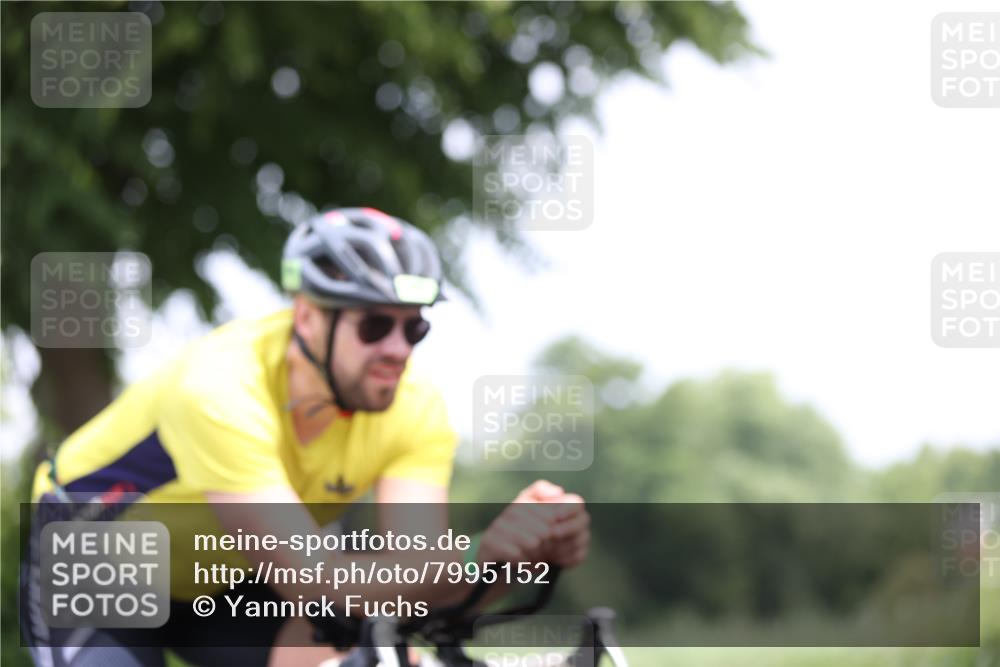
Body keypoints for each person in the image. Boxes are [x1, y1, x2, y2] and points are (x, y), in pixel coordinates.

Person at [20, 207, 591, 667]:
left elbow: (417, 585)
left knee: (372, 654)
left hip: (232, 575)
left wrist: (513, 564)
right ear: (309, 317)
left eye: (414, 326)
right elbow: (317, 583)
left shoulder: (413, 406)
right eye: (374, 324)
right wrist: (477, 555)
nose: (398, 349)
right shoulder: (221, 385)